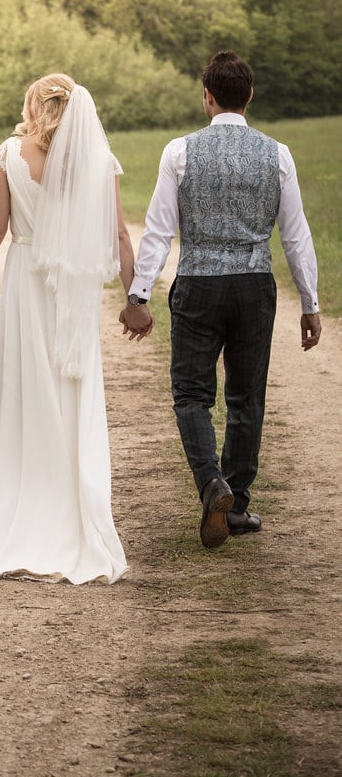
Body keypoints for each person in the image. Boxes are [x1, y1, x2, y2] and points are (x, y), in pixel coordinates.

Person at [0, 73, 150, 584]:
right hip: (70, 292)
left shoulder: (11, 153)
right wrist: (134, 299)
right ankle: (69, 499)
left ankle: (19, 493)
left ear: (33, 105)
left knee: (23, 385)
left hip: (26, 280)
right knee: (69, 386)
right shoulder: (99, 161)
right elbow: (119, 234)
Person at [120, 50, 321, 549]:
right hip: (254, 286)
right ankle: (238, 506)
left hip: (199, 285)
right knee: (246, 398)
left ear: (207, 96)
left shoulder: (179, 152)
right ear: (249, 96)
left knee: (191, 394)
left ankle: (213, 484)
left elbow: (160, 230)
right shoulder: (277, 153)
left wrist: (139, 292)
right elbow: (295, 236)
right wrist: (310, 302)